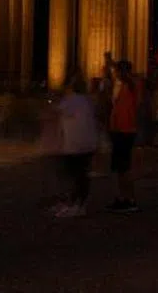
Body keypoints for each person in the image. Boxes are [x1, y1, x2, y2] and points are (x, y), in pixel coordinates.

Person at [54, 74, 99, 217]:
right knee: (81, 175)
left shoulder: (72, 100)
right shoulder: (87, 100)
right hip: (87, 143)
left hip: (75, 145)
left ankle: (75, 205)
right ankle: (79, 204)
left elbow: (55, 113)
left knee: (73, 176)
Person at [107, 59, 141, 213]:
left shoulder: (132, 85)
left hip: (125, 129)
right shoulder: (123, 85)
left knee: (125, 168)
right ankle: (122, 198)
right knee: (120, 168)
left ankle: (131, 199)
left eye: (117, 71)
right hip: (119, 129)